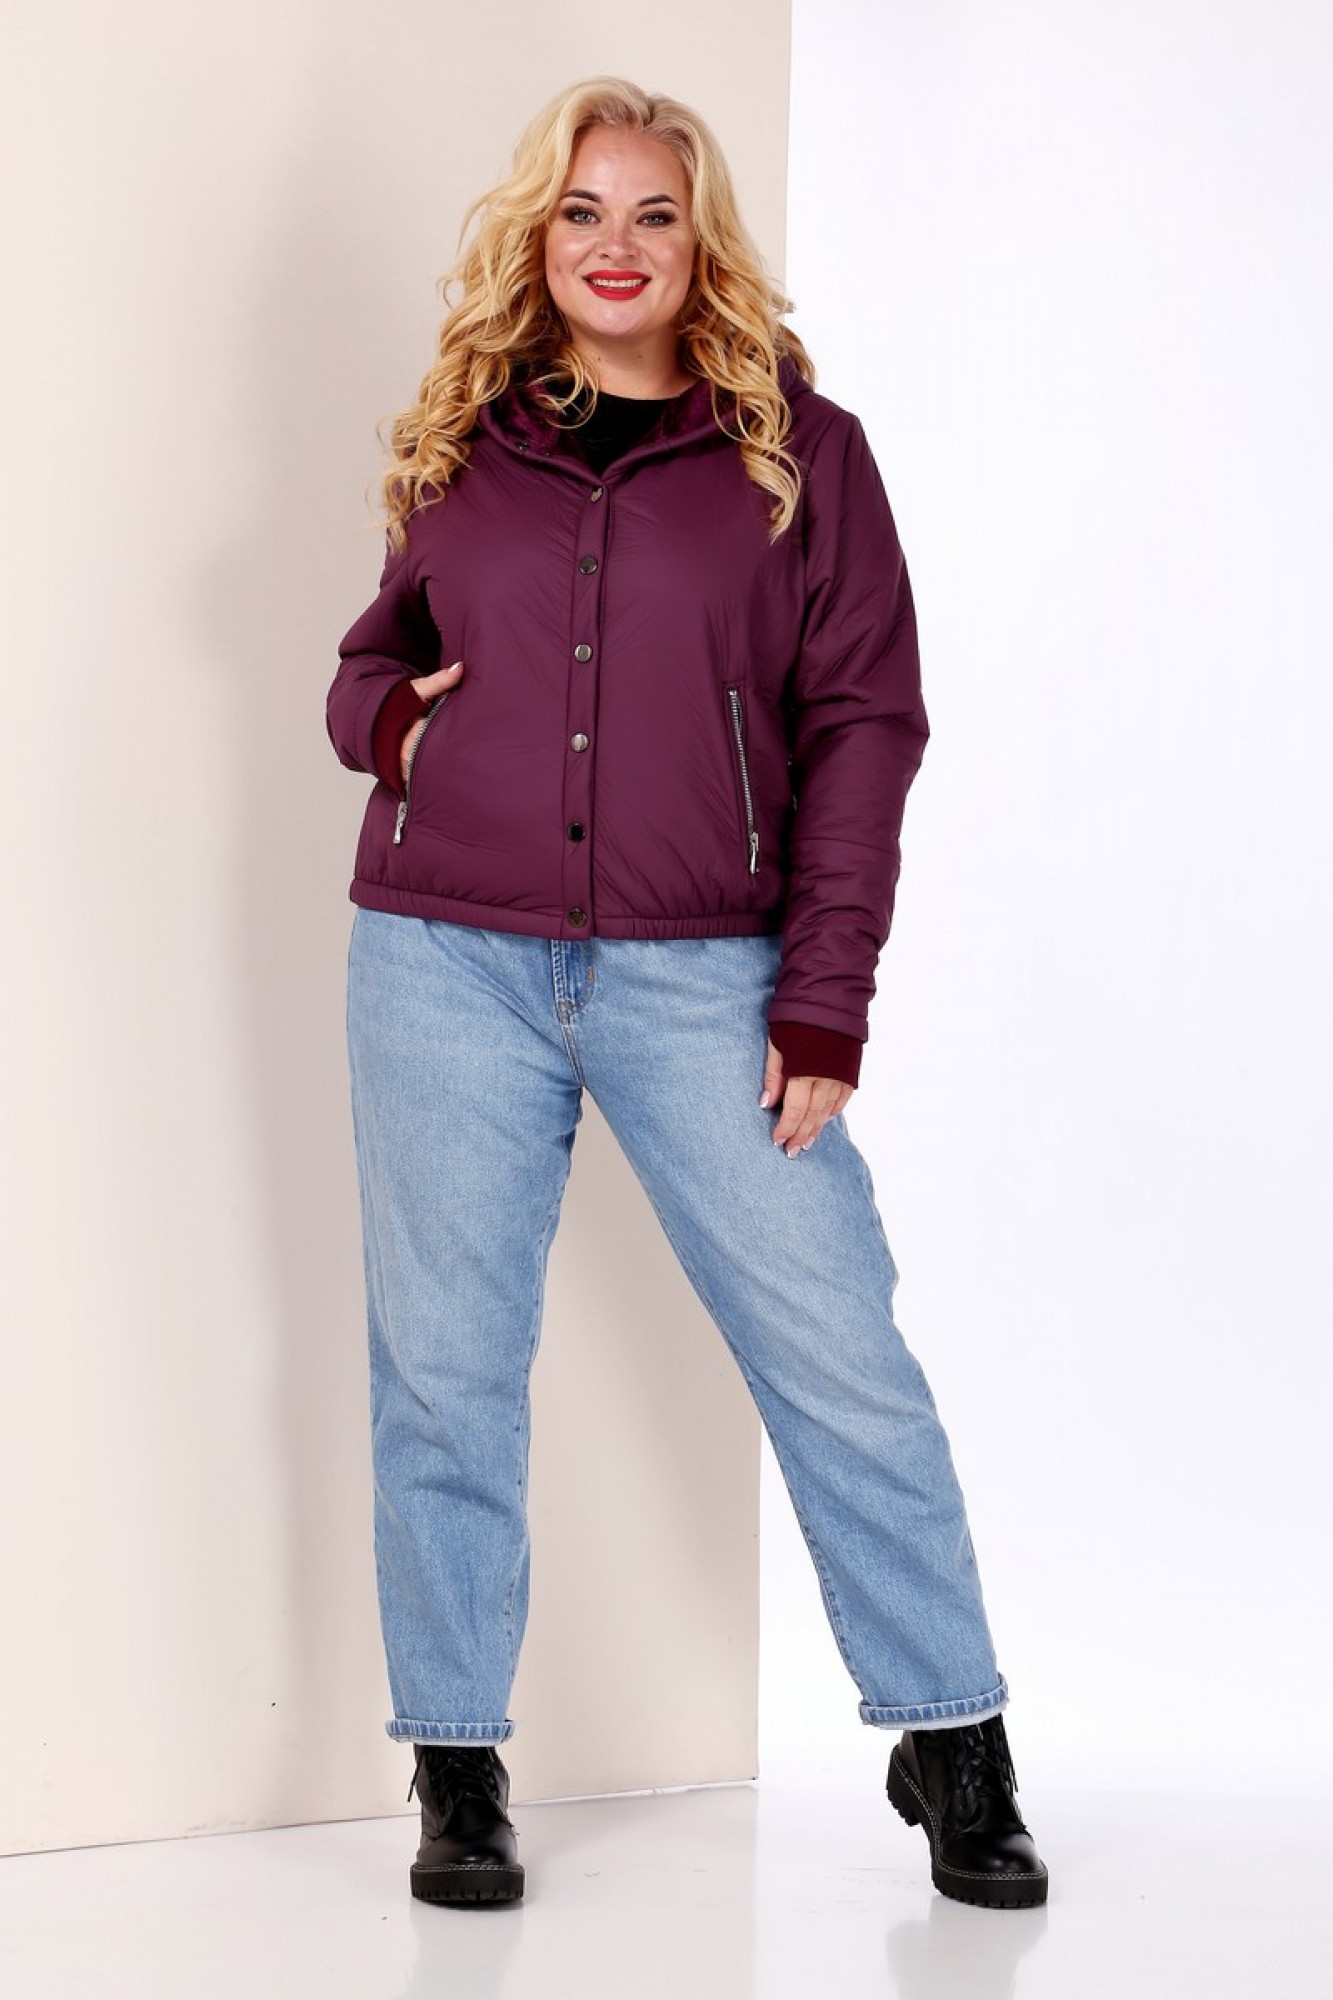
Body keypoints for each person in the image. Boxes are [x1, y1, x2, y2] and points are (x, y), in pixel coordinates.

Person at [325, 74, 1048, 1913]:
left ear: (697, 236)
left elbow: (865, 722)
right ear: (539, 236)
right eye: (582, 211)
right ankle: (457, 1767)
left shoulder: (798, 452)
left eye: (651, 211)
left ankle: (951, 1742)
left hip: (702, 972)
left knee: (841, 1352)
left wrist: (823, 999)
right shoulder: (465, 434)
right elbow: (369, 666)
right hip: (442, 958)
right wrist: (393, 723)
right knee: (444, 1376)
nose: (616, 244)